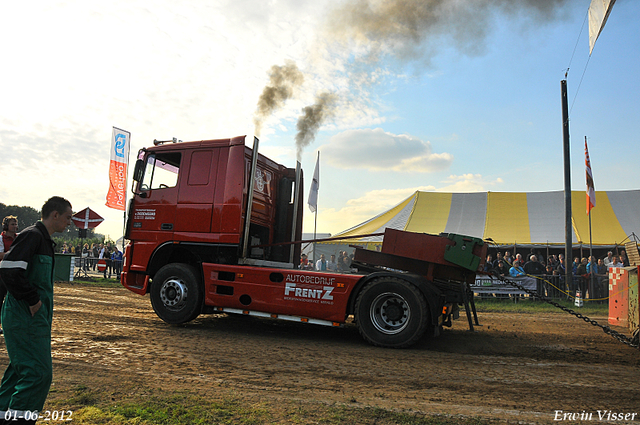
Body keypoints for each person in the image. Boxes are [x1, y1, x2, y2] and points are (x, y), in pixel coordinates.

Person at [0, 196, 72, 423]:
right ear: (55, 215)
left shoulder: (43, 239)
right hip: (24, 317)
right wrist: (33, 301)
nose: (70, 222)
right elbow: (9, 269)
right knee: (38, 374)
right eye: (68, 217)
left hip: (32, 319)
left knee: (19, 372)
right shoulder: (33, 235)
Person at [0, 216, 19, 336]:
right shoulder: (1, 238)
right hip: (2, 274)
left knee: (15, 300)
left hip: (15, 273)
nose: (15, 226)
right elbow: (0, 254)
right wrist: (13, 254)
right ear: (6, 226)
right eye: (13, 224)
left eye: (16, 224)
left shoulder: (19, 237)